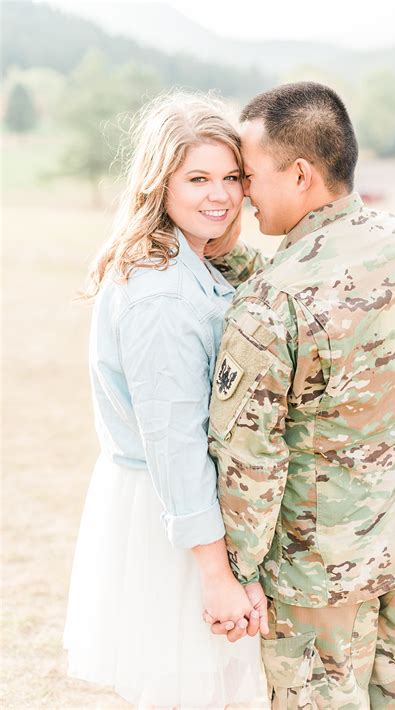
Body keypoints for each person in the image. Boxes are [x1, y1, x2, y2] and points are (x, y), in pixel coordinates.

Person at [205, 82, 395, 707]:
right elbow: (339, 307)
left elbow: (251, 466)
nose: (241, 192)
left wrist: (236, 577)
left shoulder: (270, 307)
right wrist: (240, 263)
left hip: (319, 578)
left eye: (248, 175)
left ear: (299, 175)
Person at [63, 92, 268, 709]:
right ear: (161, 183)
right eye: (198, 178)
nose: (221, 195)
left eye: (231, 177)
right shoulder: (162, 294)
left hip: (183, 511)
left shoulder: (194, 263)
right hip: (175, 522)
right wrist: (215, 575)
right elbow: (176, 440)